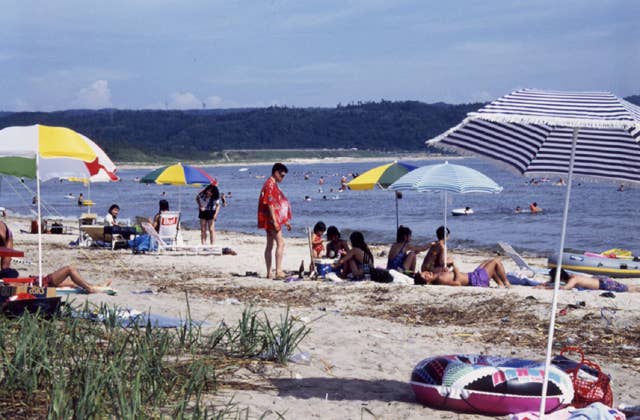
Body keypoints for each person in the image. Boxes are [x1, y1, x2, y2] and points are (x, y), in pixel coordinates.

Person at [257, 163, 292, 279]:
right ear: (276, 172)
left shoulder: (271, 184)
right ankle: (278, 271)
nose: (282, 178)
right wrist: (275, 221)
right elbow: (270, 204)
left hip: (270, 219)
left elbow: (278, 204)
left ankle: (269, 272)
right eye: (282, 175)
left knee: (270, 245)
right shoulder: (270, 185)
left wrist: (284, 220)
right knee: (280, 243)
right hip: (271, 219)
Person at [415, 257, 511, 288]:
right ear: (427, 282)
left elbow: (452, 277)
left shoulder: (438, 276)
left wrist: (449, 269)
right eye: (425, 276)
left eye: (425, 272)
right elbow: (457, 283)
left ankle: (500, 284)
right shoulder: (440, 279)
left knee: (487, 262)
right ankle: (507, 283)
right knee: (496, 262)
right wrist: (454, 266)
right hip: (476, 280)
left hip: (473, 276)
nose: (427, 273)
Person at [539, 268, 640, 293]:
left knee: (628, 289)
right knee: (627, 286)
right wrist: (544, 284)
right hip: (600, 280)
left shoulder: (573, 280)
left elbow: (564, 288)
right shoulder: (571, 276)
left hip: (603, 284)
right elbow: (554, 282)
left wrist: (546, 288)